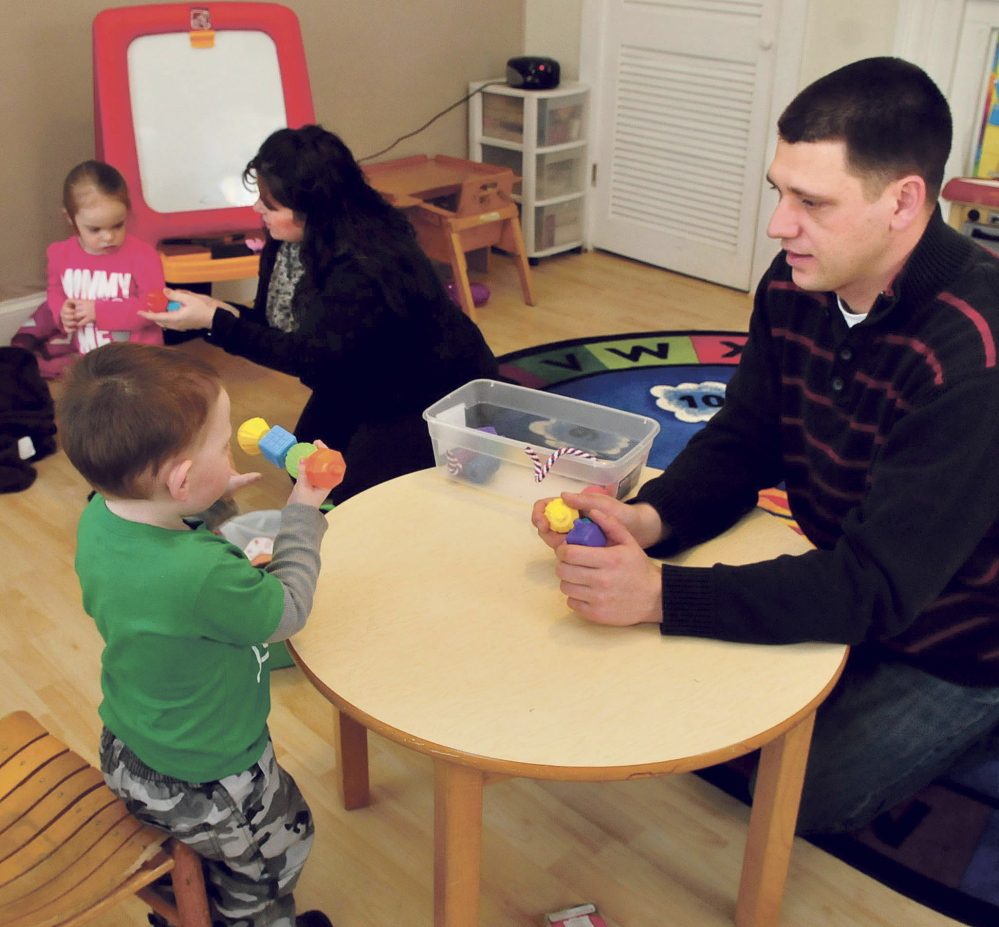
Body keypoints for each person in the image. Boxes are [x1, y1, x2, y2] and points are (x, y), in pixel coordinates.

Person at [532, 56, 999, 835]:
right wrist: (645, 520)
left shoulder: (973, 355)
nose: (780, 225)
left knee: (790, 794)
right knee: (677, 715)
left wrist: (659, 596)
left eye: (811, 201)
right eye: (778, 193)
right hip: (856, 563)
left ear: (903, 201)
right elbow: (745, 438)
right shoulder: (793, 285)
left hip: (958, 637)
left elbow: (878, 586)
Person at [58, 341, 334, 927]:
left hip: (131, 744)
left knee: (215, 852)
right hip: (214, 773)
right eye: (223, 438)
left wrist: (212, 492)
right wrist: (304, 509)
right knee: (272, 858)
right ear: (182, 480)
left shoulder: (100, 514)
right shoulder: (202, 573)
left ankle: (190, 904)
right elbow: (286, 611)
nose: (232, 444)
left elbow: (174, 526)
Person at [141, 124, 500, 504]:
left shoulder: (362, 265)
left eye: (271, 204)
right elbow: (275, 327)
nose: (257, 209)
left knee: (354, 497)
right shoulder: (291, 244)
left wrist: (216, 322)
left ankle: (468, 443)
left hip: (428, 389)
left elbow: (307, 355)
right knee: (303, 465)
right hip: (359, 372)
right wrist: (216, 311)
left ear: (312, 210)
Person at [48, 160, 165, 356]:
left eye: (117, 225)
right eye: (95, 229)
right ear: (70, 218)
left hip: (142, 360)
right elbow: (56, 291)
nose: (108, 237)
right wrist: (62, 311)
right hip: (91, 356)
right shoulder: (60, 255)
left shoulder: (142, 255)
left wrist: (99, 312)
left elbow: (155, 307)